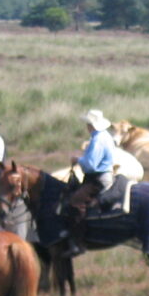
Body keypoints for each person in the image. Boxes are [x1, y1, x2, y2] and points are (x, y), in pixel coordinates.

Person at [62, 109, 115, 257]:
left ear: (91, 125)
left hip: (97, 179)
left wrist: (78, 160)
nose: (86, 126)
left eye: (87, 124)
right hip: (102, 176)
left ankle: (78, 243)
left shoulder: (97, 140)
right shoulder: (105, 136)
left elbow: (90, 165)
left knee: (74, 202)